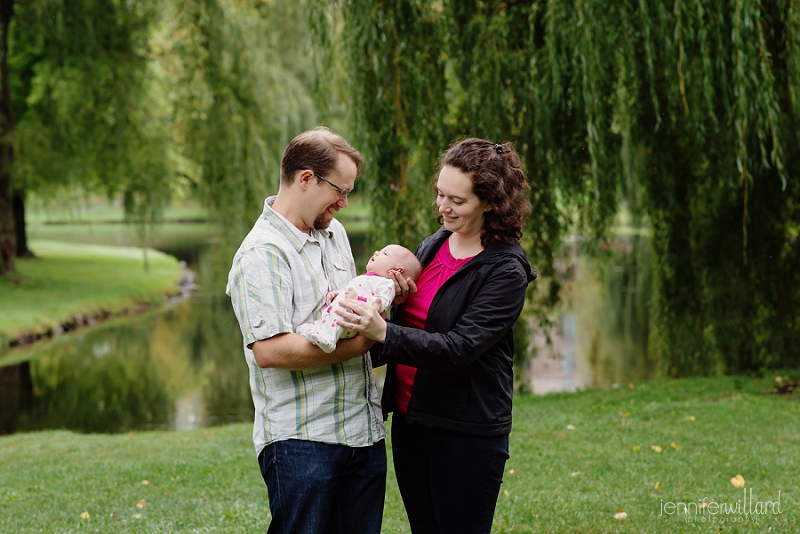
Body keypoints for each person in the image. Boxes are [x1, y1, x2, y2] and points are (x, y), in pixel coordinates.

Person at [335, 138, 537, 533]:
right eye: (440, 194)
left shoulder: (506, 270)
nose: (443, 207)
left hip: (465, 433)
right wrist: (382, 309)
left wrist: (384, 332)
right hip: (412, 423)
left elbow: (459, 348)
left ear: (490, 202)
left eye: (457, 201)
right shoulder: (434, 245)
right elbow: (415, 324)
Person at [225, 126, 410, 534]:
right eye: (339, 191)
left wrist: (384, 304)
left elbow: (347, 309)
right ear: (306, 179)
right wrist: (366, 339)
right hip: (303, 445)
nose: (344, 203)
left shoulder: (334, 234)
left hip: (364, 435)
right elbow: (270, 352)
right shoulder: (263, 253)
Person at [297, 244, 422, 353]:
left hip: (351, 319)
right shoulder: (368, 278)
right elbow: (351, 290)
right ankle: (315, 332)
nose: (376, 252)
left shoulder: (386, 284)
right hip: (339, 314)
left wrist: (358, 299)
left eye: (385, 253)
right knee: (307, 327)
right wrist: (337, 294)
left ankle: (329, 339)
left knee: (338, 318)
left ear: (396, 270)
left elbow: (380, 303)